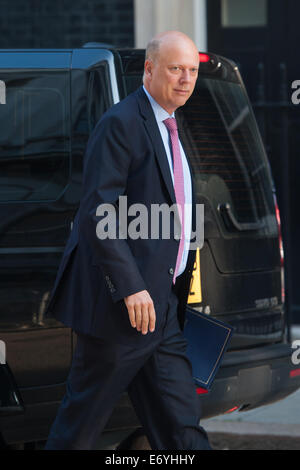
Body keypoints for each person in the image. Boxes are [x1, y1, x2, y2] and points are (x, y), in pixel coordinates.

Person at [44, 30, 211, 450]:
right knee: (79, 429)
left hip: (164, 309)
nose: (185, 79)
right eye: (176, 69)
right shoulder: (121, 122)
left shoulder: (172, 125)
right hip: (121, 313)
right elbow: (99, 212)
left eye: (192, 70)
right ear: (149, 70)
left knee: (182, 429)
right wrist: (131, 286)